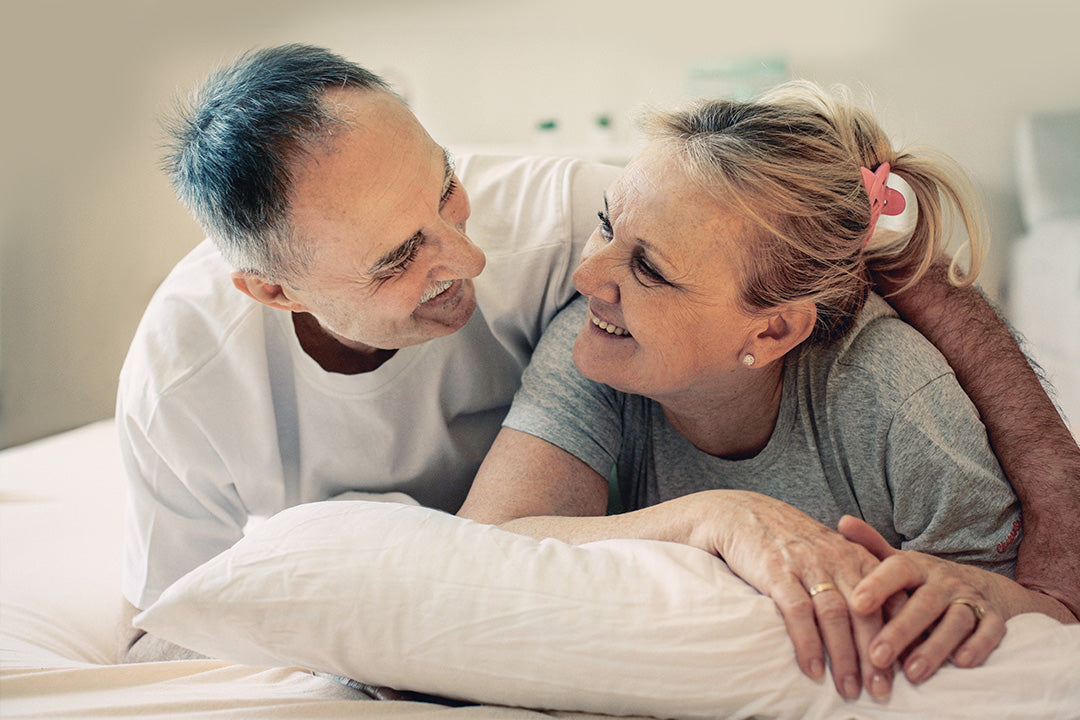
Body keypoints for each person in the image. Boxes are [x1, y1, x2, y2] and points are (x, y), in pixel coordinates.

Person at [119, 42, 1080, 675]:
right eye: (399, 258)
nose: (471, 256)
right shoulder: (185, 389)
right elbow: (175, 632)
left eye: (445, 191)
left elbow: (871, 248)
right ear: (272, 291)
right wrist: (719, 517)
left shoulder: (576, 216)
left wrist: (1058, 528)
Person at [458, 82, 1078, 701]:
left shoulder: (893, 397)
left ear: (774, 329)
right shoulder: (596, 343)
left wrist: (994, 599)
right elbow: (486, 542)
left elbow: (1038, 616)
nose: (585, 274)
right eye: (604, 225)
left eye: (648, 269)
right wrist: (716, 518)